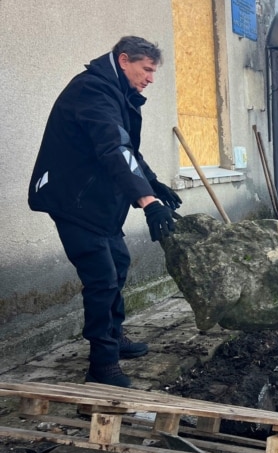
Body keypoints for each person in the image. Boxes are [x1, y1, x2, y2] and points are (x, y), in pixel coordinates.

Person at [29, 36, 182, 389]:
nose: (150, 79)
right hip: (73, 201)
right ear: (124, 59)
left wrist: (154, 184)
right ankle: (103, 364)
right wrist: (147, 202)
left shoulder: (116, 91)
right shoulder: (93, 91)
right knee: (102, 279)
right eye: (146, 70)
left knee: (120, 264)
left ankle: (114, 334)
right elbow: (113, 146)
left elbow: (127, 147)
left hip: (98, 203)